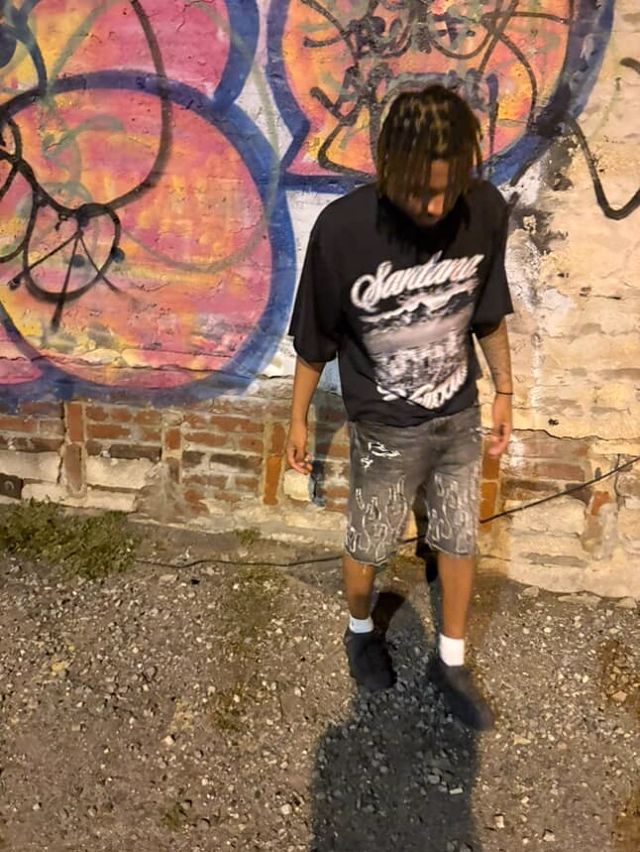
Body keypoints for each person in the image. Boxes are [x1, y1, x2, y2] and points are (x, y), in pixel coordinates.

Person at [286, 84, 514, 731]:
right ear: (388, 167)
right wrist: (297, 419)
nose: (436, 206)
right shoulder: (343, 230)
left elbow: (488, 314)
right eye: (421, 192)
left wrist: (505, 390)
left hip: (459, 416)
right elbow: (314, 340)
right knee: (371, 541)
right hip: (384, 428)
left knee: (459, 538)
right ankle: (360, 631)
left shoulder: (483, 210)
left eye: (448, 189)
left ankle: (452, 661)